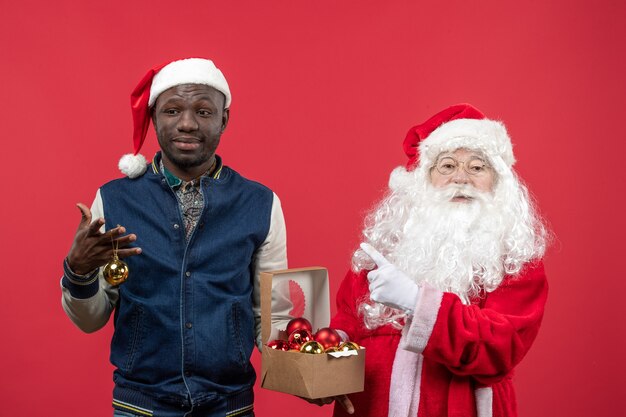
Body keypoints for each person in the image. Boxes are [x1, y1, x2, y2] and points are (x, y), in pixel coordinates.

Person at [61, 58, 287, 417]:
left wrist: (308, 373)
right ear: (154, 118)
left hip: (230, 406)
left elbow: (273, 316)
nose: (187, 123)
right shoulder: (114, 200)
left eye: (203, 111)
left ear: (224, 119)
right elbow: (90, 320)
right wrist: (79, 272)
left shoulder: (260, 203)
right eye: (172, 110)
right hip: (140, 406)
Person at [328, 104, 549, 417]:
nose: (461, 178)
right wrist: (331, 346)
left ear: (497, 181)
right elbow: (349, 318)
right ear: (426, 178)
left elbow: (501, 347)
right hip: (373, 405)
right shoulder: (387, 244)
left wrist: (419, 302)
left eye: (477, 167)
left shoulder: (515, 259)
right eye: (447, 166)